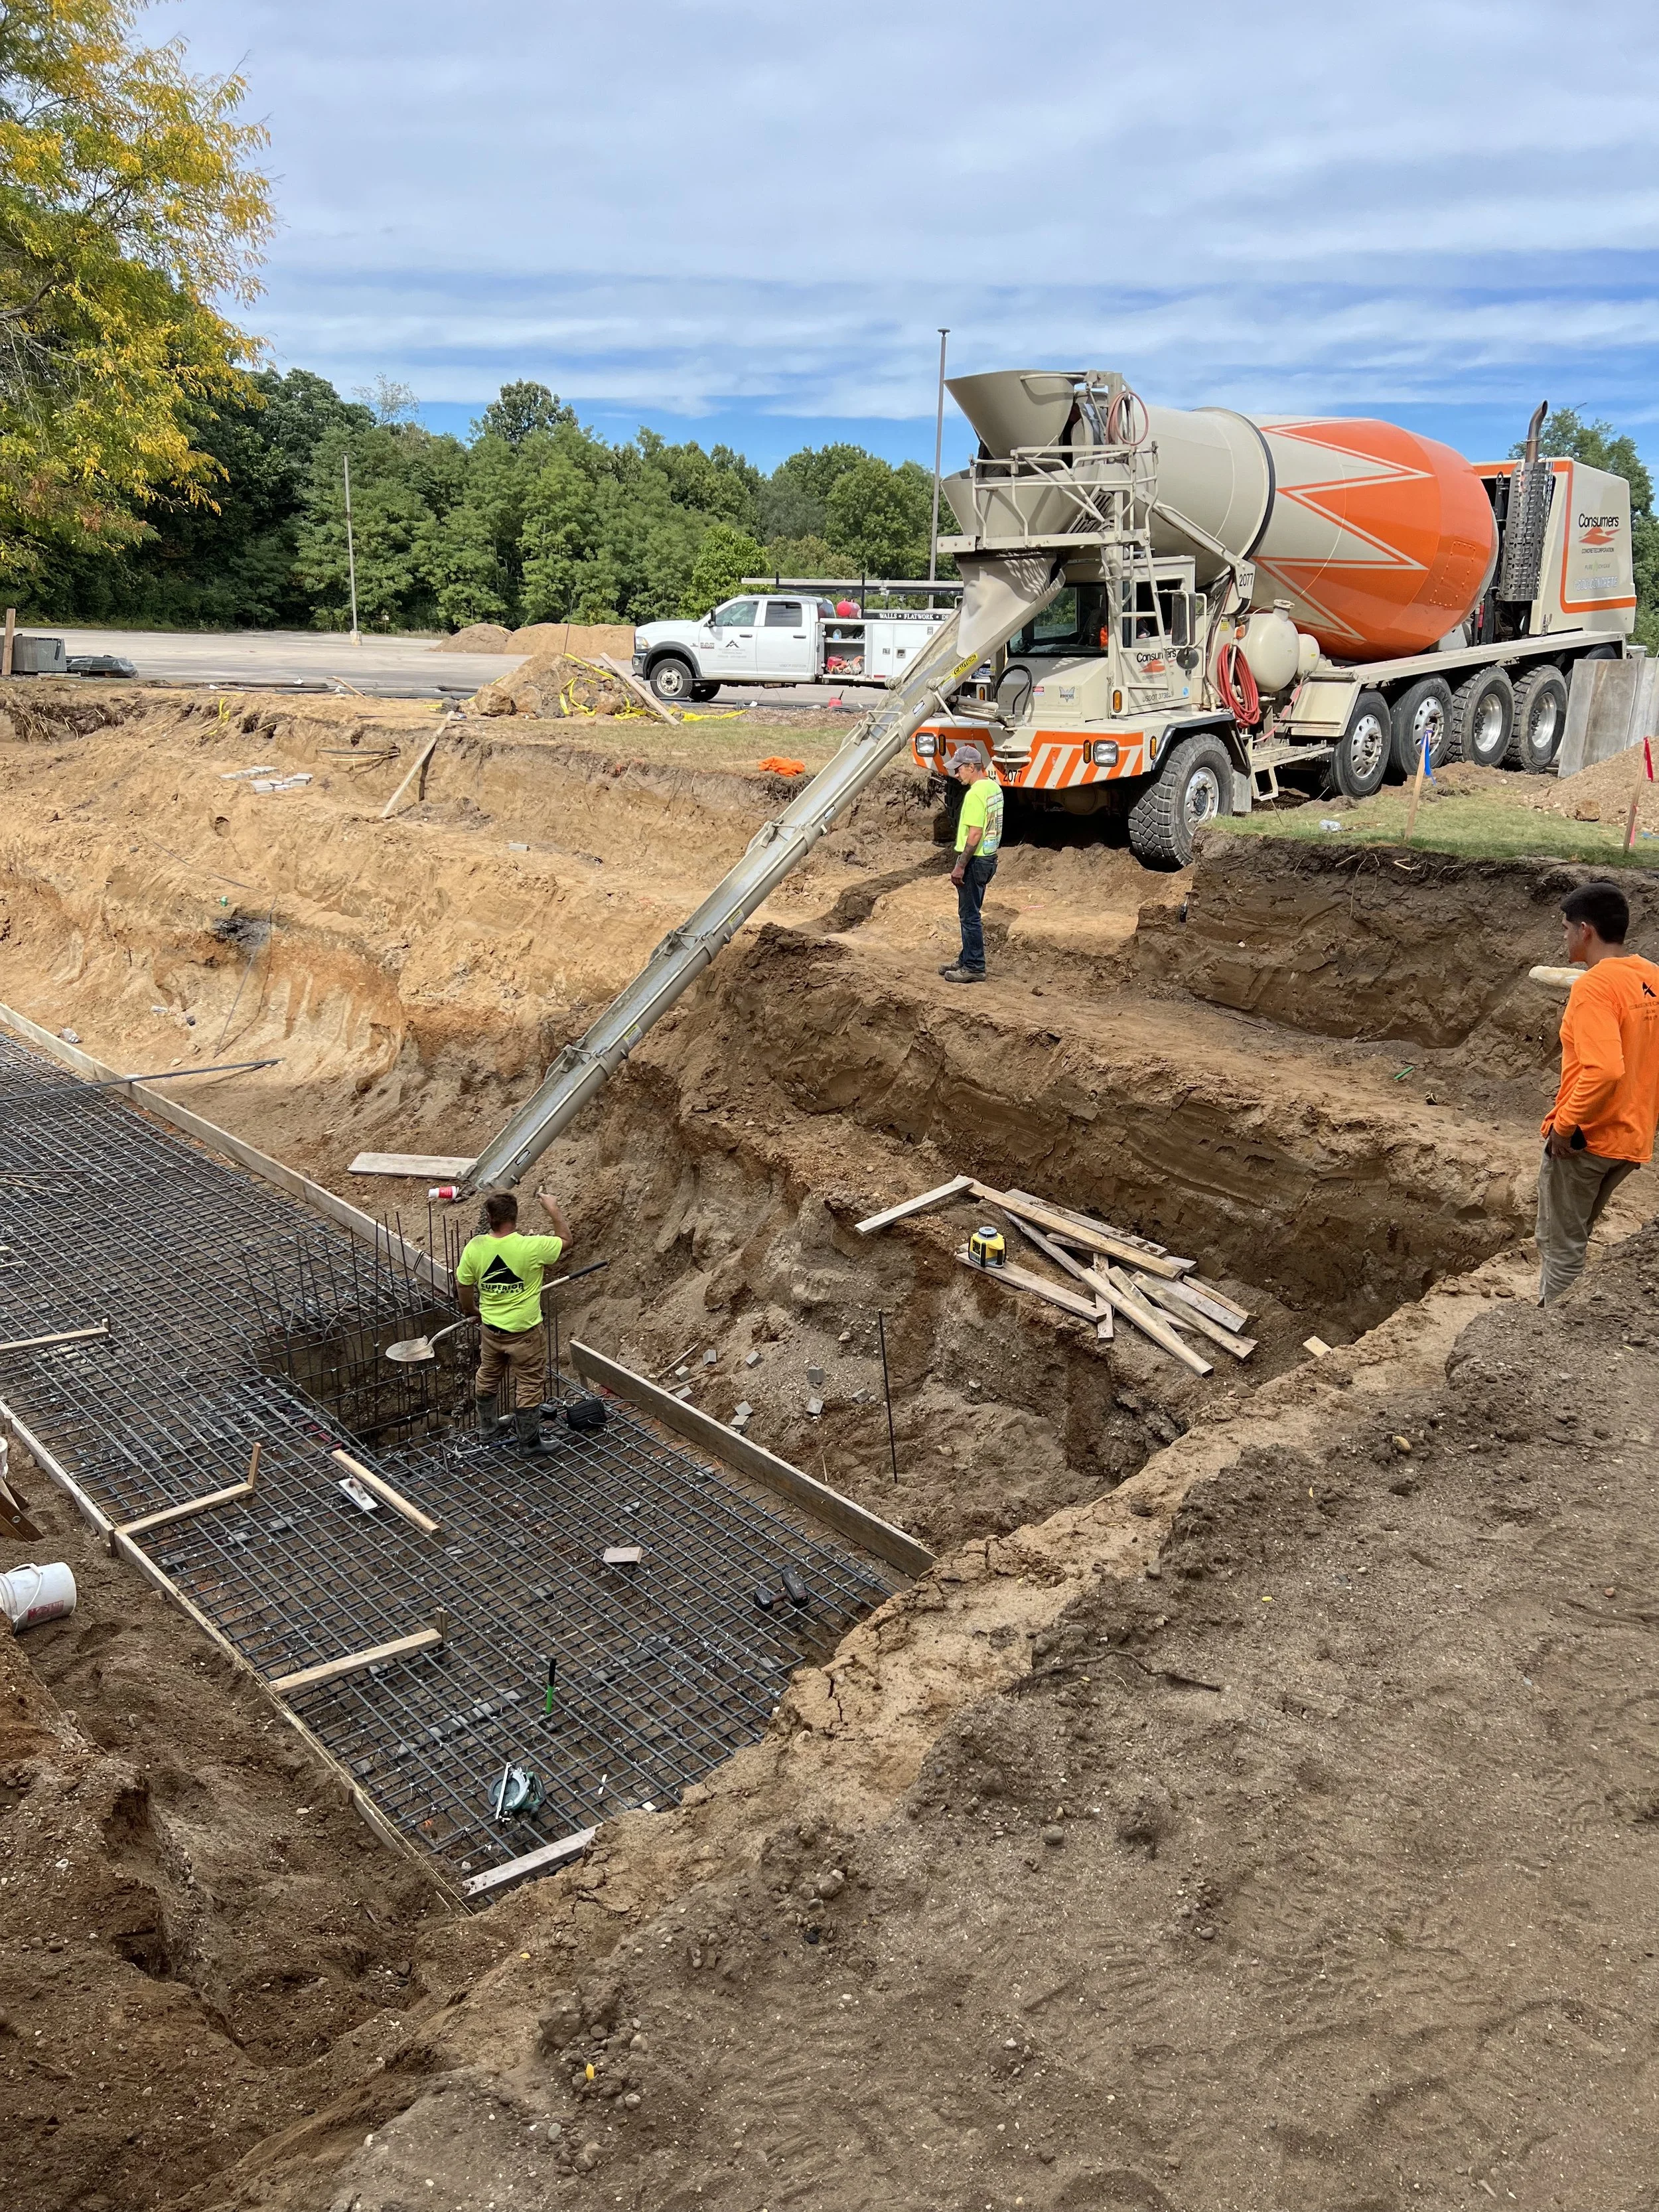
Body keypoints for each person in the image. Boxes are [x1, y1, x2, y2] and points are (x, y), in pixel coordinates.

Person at [1537, 880, 1659, 1304]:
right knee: (1577, 1234)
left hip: (1588, 1140)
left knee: (1561, 1246)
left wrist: (1565, 1126)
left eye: (1567, 928)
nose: (1565, 937)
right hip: (1631, 1137)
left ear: (1585, 930)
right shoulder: (1651, 977)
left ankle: (1548, 1337)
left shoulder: (1594, 986)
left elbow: (1605, 1069)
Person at [455, 1188, 573, 1450]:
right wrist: (552, 1209)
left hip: (491, 1330)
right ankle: (529, 1442)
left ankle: (488, 1428)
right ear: (515, 1217)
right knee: (530, 1384)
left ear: (488, 1217)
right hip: (525, 1333)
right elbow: (565, 1240)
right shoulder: (531, 1247)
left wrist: (471, 1310)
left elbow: (463, 1284)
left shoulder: (476, 1248)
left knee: (487, 1375)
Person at [940, 752, 1003, 984]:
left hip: (975, 861)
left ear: (971, 766)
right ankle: (966, 959)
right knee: (970, 912)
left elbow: (975, 834)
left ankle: (974, 966)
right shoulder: (994, 788)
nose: (956, 774)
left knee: (969, 916)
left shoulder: (975, 794)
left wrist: (960, 866)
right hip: (989, 858)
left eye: (959, 769)